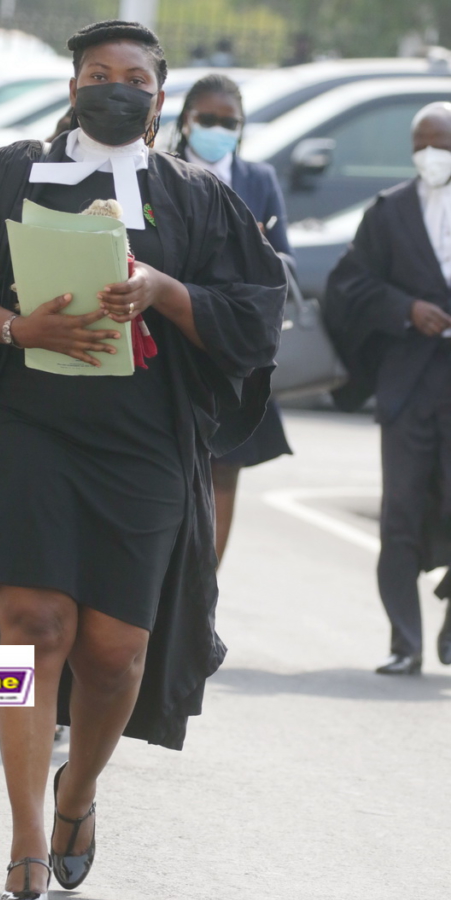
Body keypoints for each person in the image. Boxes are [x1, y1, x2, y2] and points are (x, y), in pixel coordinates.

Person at [0, 19, 286, 900]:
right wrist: (18, 325)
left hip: (140, 443)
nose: (113, 86)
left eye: (132, 75)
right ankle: (24, 834)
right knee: (30, 625)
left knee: (113, 652)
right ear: (71, 88)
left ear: (158, 97)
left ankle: (78, 793)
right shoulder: (5, 176)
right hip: (22, 430)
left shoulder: (194, 196)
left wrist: (164, 292)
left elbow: (255, 315)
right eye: (96, 73)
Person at [325, 101, 451, 675]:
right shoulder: (389, 211)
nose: (432, 156)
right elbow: (348, 285)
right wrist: (406, 309)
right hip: (408, 387)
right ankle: (405, 642)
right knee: (399, 513)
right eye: (423, 145)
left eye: (443, 145)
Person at [175, 73, 293, 563]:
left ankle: (205, 588)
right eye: (208, 119)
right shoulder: (160, 169)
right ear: (185, 120)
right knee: (177, 464)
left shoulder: (257, 180)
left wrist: (261, 256)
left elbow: (283, 261)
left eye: (230, 122)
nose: (218, 129)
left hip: (235, 343)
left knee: (225, 467)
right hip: (178, 333)